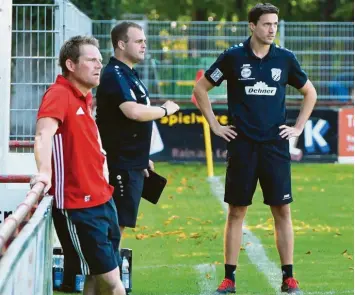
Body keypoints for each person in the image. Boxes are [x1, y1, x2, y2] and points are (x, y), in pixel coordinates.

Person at [193, 3, 317, 294]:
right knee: (237, 211)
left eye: (275, 24)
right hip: (242, 146)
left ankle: (288, 277)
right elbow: (200, 89)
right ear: (252, 26)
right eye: (266, 24)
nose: (272, 29)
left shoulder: (285, 59)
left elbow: (309, 92)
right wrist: (215, 125)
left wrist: (297, 127)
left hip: (275, 147)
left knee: (282, 210)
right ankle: (229, 279)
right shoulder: (233, 57)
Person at [30, 35, 126, 295]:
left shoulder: (85, 96)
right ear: (71, 65)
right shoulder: (59, 93)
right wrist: (44, 174)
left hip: (102, 199)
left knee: (96, 277)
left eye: (100, 60)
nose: (98, 65)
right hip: (78, 206)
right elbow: (42, 135)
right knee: (113, 282)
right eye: (91, 60)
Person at [96, 22, 179, 238]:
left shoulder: (129, 73)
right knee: (113, 229)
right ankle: (105, 272)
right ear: (121, 44)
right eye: (139, 41)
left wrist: (141, 158)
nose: (144, 45)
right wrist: (164, 110)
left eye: (145, 41)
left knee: (118, 227)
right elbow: (133, 112)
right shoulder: (115, 74)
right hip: (119, 164)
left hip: (131, 162)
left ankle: (108, 270)